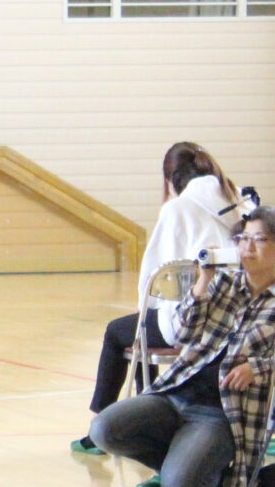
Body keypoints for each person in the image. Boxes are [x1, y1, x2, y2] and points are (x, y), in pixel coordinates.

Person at [89, 206, 275, 487]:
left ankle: (200, 469)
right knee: (104, 429)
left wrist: (258, 368)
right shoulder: (223, 283)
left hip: (223, 413)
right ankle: (187, 463)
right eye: (243, 239)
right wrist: (202, 282)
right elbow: (183, 333)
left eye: (259, 240)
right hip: (177, 391)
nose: (247, 248)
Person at [76, 143, 244, 453]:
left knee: (120, 331)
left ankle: (108, 422)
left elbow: (155, 274)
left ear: (170, 179)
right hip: (240, 320)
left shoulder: (177, 208)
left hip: (193, 320)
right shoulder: (239, 202)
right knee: (141, 329)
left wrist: (145, 310)